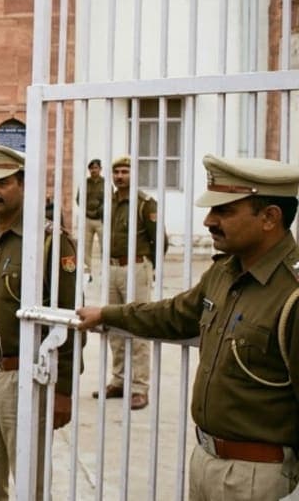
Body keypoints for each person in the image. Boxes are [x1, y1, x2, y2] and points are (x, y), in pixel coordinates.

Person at [77, 155, 299, 501]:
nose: (209, 220)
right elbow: (174, 314)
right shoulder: (225, 272)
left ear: (270, 217)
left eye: (224, 210)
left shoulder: (293, 295)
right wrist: (107, 314)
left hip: (260, 477)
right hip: (206, 462)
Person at [0, 143, 77, 501]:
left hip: (23, 376)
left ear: (23, 184)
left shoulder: (48, 242)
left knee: (30, 483)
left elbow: (67, 321)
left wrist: (64, 391)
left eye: (1, 183)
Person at [93, 154, 156, 410]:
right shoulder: (108, 202)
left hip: (136, 267)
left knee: (139, 325)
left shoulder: (144, 204)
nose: (120, 176)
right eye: (117, 172)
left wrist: (149, 269)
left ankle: (140, 387)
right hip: (112, 267)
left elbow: (157, 240)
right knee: (113, 324)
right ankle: (118, 380)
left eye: (125, 172)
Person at [82, 158, 106, 277]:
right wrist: (87, 210)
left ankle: (105, 271)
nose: (93, 170)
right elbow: (79, 199)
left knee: (104, 246)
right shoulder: (85, 183)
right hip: (88, 219)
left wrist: (100, 210)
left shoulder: (105, 183)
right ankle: (87, 272)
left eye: (96, 168)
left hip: (101, 220)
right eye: (91, 168)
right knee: (86, 247)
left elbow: (109, 200)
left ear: (100, 169)